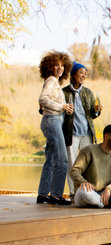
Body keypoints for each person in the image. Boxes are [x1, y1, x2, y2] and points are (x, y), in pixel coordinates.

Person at [37, 51, 73, 205]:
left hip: (52, 121)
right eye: (56, 65)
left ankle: (43, 195)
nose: (60, 68)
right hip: (52, 121)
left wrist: (64, 108)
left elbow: (46, 102)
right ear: (50, 67)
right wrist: (62, 106)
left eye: (62, 65)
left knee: (51, 160)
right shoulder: (51, 80)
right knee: (62, 160)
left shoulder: (55, 83)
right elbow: (42, 99)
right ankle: (56, 196)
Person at [63, 62, 102, 201]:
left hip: (86, 134)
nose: (84, 75)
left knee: (87, 165)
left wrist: (96, 111)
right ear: (73, 74)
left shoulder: (88, 93)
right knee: (72, 164)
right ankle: (73, 193)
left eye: (85, 73)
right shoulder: (64, 92)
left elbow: (92, 115)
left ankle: (88, 193)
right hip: (71, 134)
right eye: (81, 72)